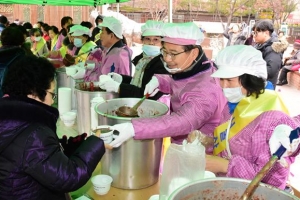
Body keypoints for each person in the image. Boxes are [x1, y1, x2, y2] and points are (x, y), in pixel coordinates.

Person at [106, 22, 229, 153]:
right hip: (182, 145)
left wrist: (134, 129)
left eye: (173, 53)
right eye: (164, 52)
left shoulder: (206, 90)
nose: (167, 59)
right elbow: (182, 83)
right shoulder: (194, 67)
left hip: (200, 153)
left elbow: (183, 121)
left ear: (194, 53)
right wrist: (159, 81)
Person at [0, 55, 106, 199]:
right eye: (51, 94)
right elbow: (70, 176)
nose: (52, 101)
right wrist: (97, 142)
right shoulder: (33, 133)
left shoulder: (10, 117)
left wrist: (69, 147)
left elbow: (37, 157)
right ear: (32, 93)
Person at [196, 45, 300, 189]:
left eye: (229, 80)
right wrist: (209, 142)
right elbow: (230, 142)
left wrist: (225, 165)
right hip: (228, 186)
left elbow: (272, 179)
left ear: (250, 79)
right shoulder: (234, 104)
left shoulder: (272, 119)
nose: (224, 86)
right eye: (221, 79)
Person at [100, 20, 169, 101]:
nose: (151, 43)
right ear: (142, 41)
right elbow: (138, 82)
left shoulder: (163, 64)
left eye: (156, 39)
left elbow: (146, 94)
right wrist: (122, 79)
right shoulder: (142, 61)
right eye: (147, 39)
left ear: (162, 43)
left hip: (152, 108)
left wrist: (118, 87)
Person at [253, 20, 289, 88]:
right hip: (256, 84)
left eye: (256, 33)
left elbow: (270, 71)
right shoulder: (260, 45)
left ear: (266, 33)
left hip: (265, 88)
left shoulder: (274, 48)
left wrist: (250, 68)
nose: (254, 35)